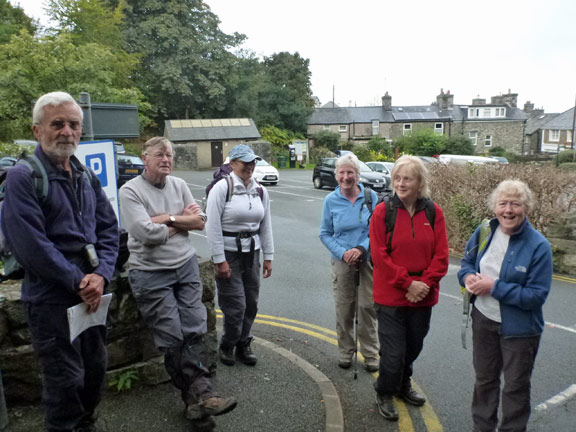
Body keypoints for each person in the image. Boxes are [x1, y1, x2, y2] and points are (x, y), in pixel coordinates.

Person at [1, 91, 119, 432]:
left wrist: (101, 275)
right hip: (51, 299)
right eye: (57, 124)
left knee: (95, 371)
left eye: (74, 124)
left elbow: (109, 228)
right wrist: (78, 281)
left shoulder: (84, 174)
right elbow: (31, 246)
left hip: (93, 294)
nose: (67, 131)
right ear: (38, 130)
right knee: (64, 381)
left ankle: (85, 424)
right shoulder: (24, 177)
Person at [119, 137, 237, 423]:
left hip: (184, 265)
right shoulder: (130, 191)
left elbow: (200, 221)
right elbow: (146, 235)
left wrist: (164, 220)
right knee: (172, 336)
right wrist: (177, 220)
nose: (166, 159)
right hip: (149, 272)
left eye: (170, 155)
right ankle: (202, 396)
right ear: (145, 158)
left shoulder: (180, 185)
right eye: (160, 154)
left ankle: (196, 402)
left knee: (194, 329)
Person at [458, 180, 552, 432]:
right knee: (485, 381)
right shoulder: (484, 231)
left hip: (521, 331)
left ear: (526, 208)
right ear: (494, 207)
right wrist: (467, 277)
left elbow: (536, 296)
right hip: (483, 320)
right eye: (503, 203)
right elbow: (466, 264)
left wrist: (494, 287)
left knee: (515, 387)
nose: (508, 210)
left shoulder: (539, 246)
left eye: (515, 204)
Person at [369, 155, 449, 421]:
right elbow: (380, 257)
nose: (401, 183)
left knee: (412, 348)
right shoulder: (383, 211)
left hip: (423, 296)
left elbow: (441, 256)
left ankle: (402, 385)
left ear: (420, 182)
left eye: (408, 178)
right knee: (393, 354)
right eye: (397, 178)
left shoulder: (433, 212)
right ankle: (384, 391)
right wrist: (407, 283)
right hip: (391, 294)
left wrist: (424, 284)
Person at [205, 144, 274, 367]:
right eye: (245, 162)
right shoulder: (221, 188)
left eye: (253, 161)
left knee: (251, 303)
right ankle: (228, 344)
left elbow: (266, 225)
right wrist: (219, 259)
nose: (250, 166)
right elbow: (212, 226)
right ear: (232, 164)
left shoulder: (261, 190)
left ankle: (243, 342)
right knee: (236, 306)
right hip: (229, 254)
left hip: (252, 253)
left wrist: (268, 256)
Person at [319, 153, 380, 372]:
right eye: (342, 172)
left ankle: (371, 353)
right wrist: (344, 253)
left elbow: (377, 231)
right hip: (342, 261)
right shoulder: (330, 201)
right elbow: (325, 233)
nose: (346, 177)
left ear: (358, 175)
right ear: (336, 175)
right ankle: (346, 351)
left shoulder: (371, 197)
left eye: (350, 172)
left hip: (367, 260)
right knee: (345, 308)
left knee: (367, 307)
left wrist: (361, 248)